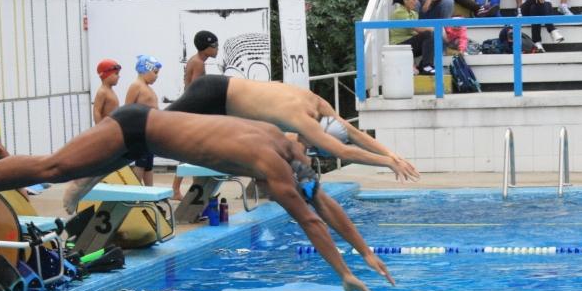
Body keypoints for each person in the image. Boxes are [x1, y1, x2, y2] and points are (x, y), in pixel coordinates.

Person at [0, 107, 393, 291]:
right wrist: (342, 271)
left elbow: (320, 203)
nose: (309, 172)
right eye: (314, 163)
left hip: (140, 140)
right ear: (309, 152)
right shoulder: (271, 162)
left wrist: (365, 250)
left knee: (64, 173)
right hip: (134, 129)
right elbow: (309, 218)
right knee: (53, 168)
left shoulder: (280, 140)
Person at [165, 75, 419, 181]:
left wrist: (392, 155)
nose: (308, 145)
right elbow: (345, 151)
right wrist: (386, 163)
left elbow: (354, 134)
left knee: (160, 127)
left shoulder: (317, 103)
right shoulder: (304, 121)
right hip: (214, 96)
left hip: (219, 89)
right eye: (314, 144)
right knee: (156, 126)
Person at [171, 31, 219, 200]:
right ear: (206, 48)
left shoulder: (196, 60)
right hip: (191, 111)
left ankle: (191, 188)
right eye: (214, 46)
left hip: (189, 110)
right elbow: (196, 91)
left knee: (191, 152)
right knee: (190, 151)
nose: (217, 49)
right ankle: (177, 190)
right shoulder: (198, 63)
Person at [124, 54, 161, 185]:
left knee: (148, 164)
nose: (157, 76)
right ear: (146, 69)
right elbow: (127, 109)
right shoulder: (136, 86)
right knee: (141, 163)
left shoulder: (146, 87)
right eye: (155, 72)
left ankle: (149, 195)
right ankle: (133, 195)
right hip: (140, 132)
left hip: (149, 132)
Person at [391, 0, 438, 76]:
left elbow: (417, 32)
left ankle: (423, 66)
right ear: (405, 0)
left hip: (410, 45)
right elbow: (417, 29)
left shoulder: (414, 13)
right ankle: (427, 66)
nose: (416, 2)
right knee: (428, 34)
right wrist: (434, 28)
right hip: (399, 45)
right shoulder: (399, 12)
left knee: (433, 39)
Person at [93, 59, 121, 125]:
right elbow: (96, 111)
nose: (119, 76)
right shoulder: (102, 92)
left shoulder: (110, 90)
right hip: (106, 129)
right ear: (107, 75)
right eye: (116, 73)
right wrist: (99, 129)